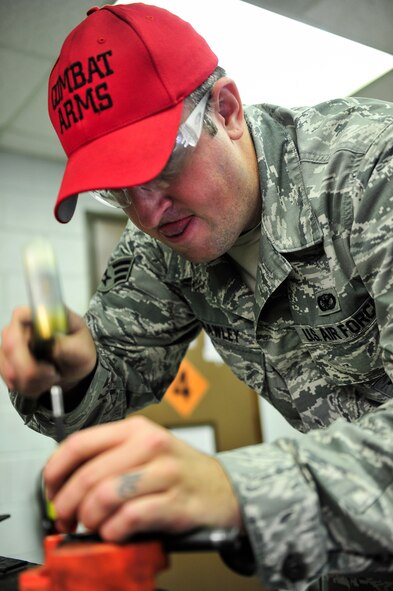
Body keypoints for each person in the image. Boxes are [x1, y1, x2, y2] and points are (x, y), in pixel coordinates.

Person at [0, 3, 392, 590]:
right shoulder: (158, 243)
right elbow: (108, 384)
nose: (149, 211)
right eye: (119, 189)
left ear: (226, 110)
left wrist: (235, 488)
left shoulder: (370, 171)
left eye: (160, 164)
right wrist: (76, 374)